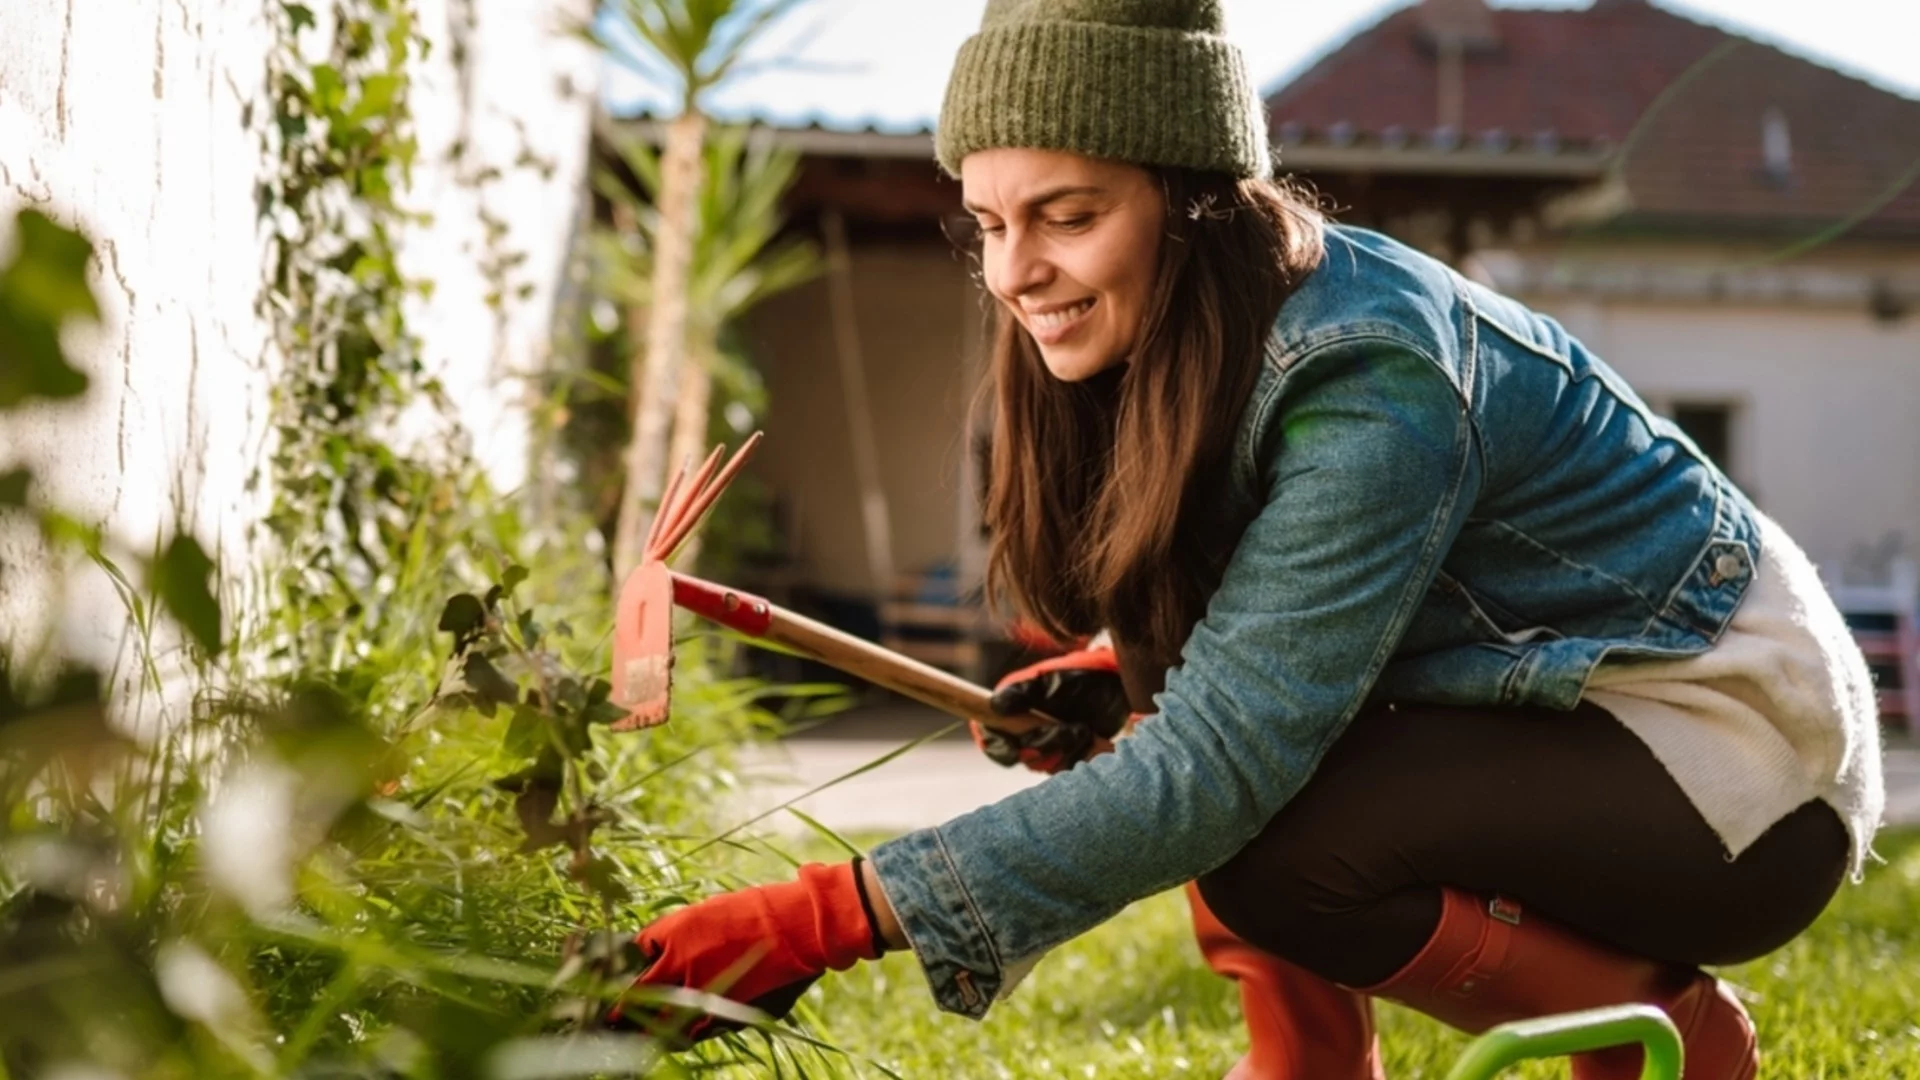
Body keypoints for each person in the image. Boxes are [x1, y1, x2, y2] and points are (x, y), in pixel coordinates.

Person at [620, 3, 1886, 1077]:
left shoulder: (1370, 378)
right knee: (1198, 724)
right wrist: (1121, 678)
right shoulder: (1183, 340)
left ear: (1190, 198)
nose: (1015, 272)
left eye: (1064, 215)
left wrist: (812, 920)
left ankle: (1666, 1035)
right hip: (1566, 707)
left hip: (1737, 762)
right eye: (989, 224)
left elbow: (1213, 772)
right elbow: (1285, 643)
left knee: (1261, 842)